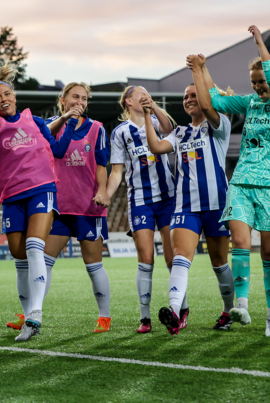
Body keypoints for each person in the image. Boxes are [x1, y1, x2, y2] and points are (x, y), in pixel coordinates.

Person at [0, 63, 79, 341]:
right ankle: (28, 315)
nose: (4, 100)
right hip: (12, 196)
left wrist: (70, 122)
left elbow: (59, 150)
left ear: (15, 97)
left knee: (34, 245)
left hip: (41, 189)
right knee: (18, 253)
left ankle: (34, 315)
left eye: (7, 94)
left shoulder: (35, 121)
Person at [7, 82, 113, 333]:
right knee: (43, 260)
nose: (80, 102)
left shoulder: (97, 128)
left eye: (84, 99)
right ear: (62, 100)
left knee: (93, 264)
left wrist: (102, 191)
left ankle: (104, 316)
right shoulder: (51, 125)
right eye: (75, 97)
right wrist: (65, 119)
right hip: (57, 206)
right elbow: (39, 140)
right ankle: (32, 312)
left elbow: (101, 165)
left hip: (88, 206)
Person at [142, 55, 236, 334]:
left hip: (218, 205)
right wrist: (148, 115)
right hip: (185, 207)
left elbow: (208, 104)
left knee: (219, 263)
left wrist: (198, 71)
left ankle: (228, 311)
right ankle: (174, 310)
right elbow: (157, 146)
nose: (188, 99)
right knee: (181, 256)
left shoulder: (219, 125)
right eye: (185, 97)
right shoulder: (180, 132)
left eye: (193, 94)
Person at [209, 25, 270, 335]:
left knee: (269, 254)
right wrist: (201, 69)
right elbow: (215, 101)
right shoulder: (249, 104)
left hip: (269, 187)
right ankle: (242, 306)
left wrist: (259, 41)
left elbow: (269, 70)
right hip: (242, 182)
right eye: (254, 82)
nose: (259, 86)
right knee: (242, 244)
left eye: (262, 81)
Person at [104, 85, 177, 333]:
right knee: (146, 259)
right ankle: (145, 318)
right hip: (140, 201)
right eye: (141, 95)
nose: (145, 97)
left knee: (172, 257)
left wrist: (153, 107)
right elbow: (116, 172)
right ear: (128, 101)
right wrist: (106, 193)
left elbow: (171, 131)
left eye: (148, 94)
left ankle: (180, 310)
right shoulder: (120, 133)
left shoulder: (156, 121)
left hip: (168, 197)